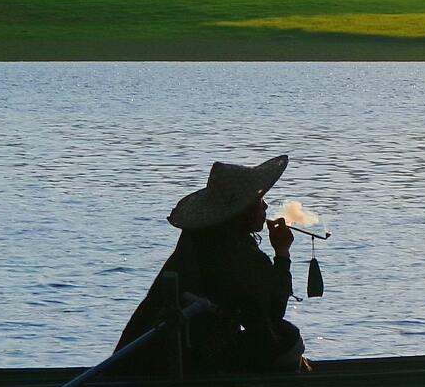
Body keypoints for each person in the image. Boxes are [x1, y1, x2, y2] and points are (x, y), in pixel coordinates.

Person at [114, 155, 305, 375]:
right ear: (242, 208)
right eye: (259, 199)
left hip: (152, 353)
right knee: (285, 338)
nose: (265, 205)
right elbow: (272, 313)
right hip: (186, 359)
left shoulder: (202, 237)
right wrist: (282, 252)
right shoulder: (234, 250)